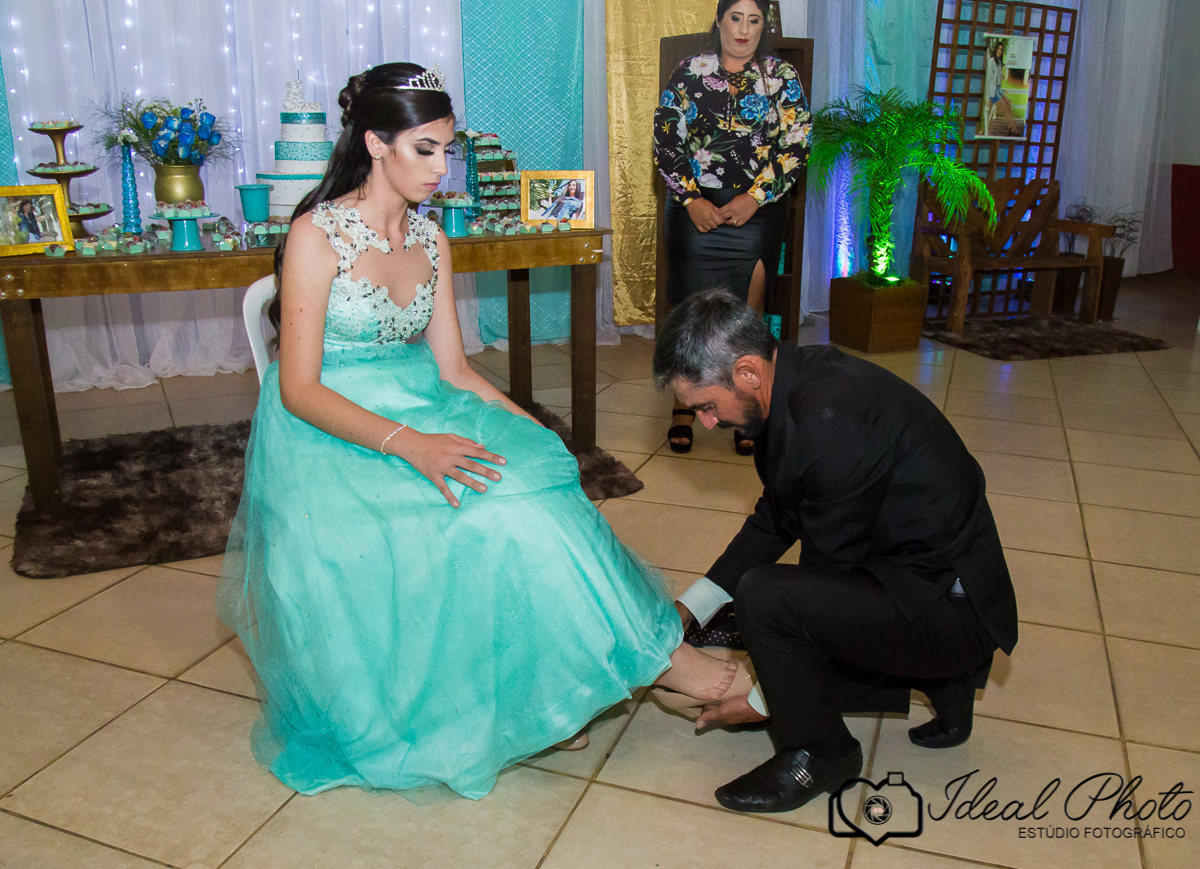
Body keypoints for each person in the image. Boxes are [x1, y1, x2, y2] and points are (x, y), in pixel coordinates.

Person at [217, 63, 748, 801]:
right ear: (375, 143)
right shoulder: (316, 234)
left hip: (421, 400)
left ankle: (565, 682)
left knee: (537, 483)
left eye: (448, 150)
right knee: (487, 513)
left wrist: (535, 430)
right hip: (331, 431)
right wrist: (414, 446)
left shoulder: (432, 239)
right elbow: (300, 388)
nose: (442, 168)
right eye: (425, 150)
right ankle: (659, 663)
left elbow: (456, 371)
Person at [652, 290, 1019, 814]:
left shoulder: (828, 425)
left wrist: (762, 703)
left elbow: (821, 594)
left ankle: (822, 753)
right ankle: (946, 681)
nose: (707, 423)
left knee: (767, 599)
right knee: (755, 603)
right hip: (923, 578)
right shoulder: (797, 383)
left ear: (748, 372)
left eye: (707, 406)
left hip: (954, 613)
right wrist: (691, 606)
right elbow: (777, 518)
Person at [653, 0, 810, 456]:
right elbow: (666, 139)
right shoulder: (690, 70)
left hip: (756, 213)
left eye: (754, 20)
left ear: (765, 26)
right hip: (694, 212)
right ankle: (684, 406)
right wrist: (690, 199)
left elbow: (796, 142)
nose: (743, 30)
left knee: (748, 317)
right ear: (720, 21)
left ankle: (747, 406)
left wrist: (754, 197)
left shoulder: (782, 77)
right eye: (736, 18)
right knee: (690, 316)